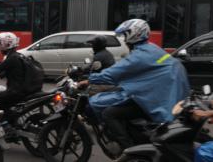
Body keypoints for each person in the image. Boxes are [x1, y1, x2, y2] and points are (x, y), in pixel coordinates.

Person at [78, 19, 190, 151]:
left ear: (134, 34)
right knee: (115, 98)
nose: (124, 40)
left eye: (125, 35)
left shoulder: (140, 55)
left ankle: (129, 151)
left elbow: (114, 73)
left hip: (156, 97)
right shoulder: (150, 48)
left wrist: (89, 80)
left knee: (109, 113)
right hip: (163, 92)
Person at [0, 32, 43, 109]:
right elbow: (14, 69)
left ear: (5, 44)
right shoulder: (17, 55)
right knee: (3, 106)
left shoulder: (12, 58)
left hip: (15, 92)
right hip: (21, 90)